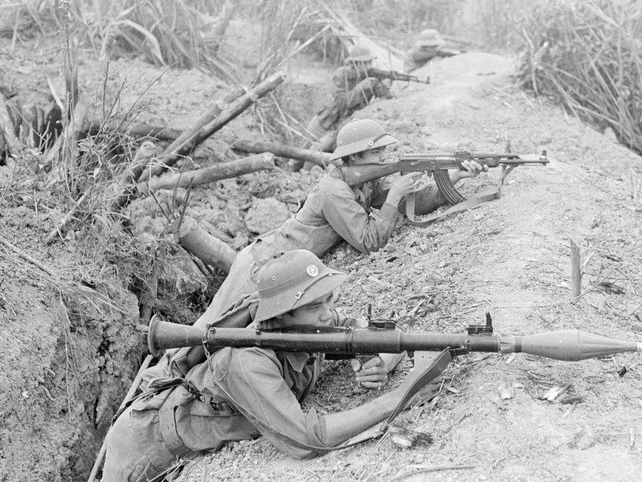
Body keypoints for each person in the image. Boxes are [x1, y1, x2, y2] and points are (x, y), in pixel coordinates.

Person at [96, 250, 444, 482]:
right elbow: (307, 439)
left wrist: (378, 360)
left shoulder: (308, 324)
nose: (328, 314)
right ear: (282, 315)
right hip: (143, 446)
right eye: (314, 306)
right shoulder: (247, 363)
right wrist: (398, 399)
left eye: (329, 299)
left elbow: (366, 335)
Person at [188, 118, 483, 343]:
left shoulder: (364, 180)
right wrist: (394, 198)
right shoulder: (333, 190)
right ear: (353, 158)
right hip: (260, 265)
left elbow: (414, 203)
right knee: (211, 329)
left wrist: (454, 177)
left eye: (384, 151)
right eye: (376, 152)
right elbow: (369, 241)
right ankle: (163, 369)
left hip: (282, 267)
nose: (384, 158)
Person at [307, 45, 393, 140]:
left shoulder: (371, 76)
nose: (368, 66)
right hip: (323, 126)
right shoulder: (341, 74)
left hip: (343, 128)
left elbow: (387, 98)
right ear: (354, 63)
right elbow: (341, 102)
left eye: (370, 62)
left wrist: (386, 86)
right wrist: (360, 87)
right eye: (364, 63)